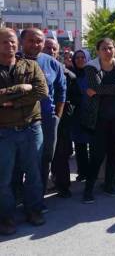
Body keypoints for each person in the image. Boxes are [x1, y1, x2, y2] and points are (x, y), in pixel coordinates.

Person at [0, 28, 49, 235]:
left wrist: (9, 100)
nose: (10, 46)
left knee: (34, 174)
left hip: (31, 128)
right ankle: (6, 217)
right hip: (4, 132)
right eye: (4, 42)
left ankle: (34, 210)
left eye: (12, 42)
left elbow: (41, 91)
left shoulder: (31, 65)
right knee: (4, 178)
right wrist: (21, 89)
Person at [82, 38, 115, 203]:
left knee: (113, 154)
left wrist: (100, 90)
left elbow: (97, 90)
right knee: (96, 155)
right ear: (98, 51)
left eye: (110, 48)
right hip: (99, 119)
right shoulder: (91, 67)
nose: (108, 51)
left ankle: (108, 185)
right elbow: (94, 87)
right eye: (104, 48)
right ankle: (88, 189)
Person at [20, 29, 66, 200]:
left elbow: (62, 91)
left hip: (47, 120)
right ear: (21, 41)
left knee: (45, 158)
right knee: (19, 160)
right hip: (19, 120)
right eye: (31, 40)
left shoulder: (52, 63)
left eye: (39, 41)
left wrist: (57, 117)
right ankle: (18, 197)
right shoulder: (12, 61)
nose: (35, 44)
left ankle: (37, 199)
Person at [49, 42, 78, 199]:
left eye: (54, 48)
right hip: (35, 120)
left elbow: (75, 97)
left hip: (61, 121)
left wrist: (67, 109)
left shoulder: (67, 74)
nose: (51, 50)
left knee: (61, 155)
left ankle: (63, 186)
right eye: (48, 47)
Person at [69, 50, 92, 183]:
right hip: (77, 114)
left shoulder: (93, 73)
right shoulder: (71, 74)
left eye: (83, 57)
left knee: (93, 144)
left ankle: (92, 172)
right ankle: (82, 172)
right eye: (77, 57)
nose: (80, 59)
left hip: (92, 113)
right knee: (80, 145)